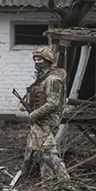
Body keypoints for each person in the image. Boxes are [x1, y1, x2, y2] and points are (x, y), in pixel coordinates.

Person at [22, 46, 69, 182]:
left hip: (46, 121)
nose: (37, 62)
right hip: (40, 121)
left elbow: (52, 103)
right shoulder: (42, 78)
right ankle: (47, 183)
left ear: (47, 61)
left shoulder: (52, 79)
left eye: (40, 59)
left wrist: (34, 114)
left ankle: (66, 182)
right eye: (35, 59)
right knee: (40, 153)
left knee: (48, 153)